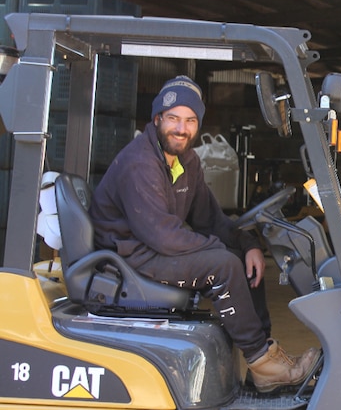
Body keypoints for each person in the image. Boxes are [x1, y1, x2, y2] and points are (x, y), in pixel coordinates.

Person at [89, 75, 319, 393]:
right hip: (129, 256)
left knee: (242, 258)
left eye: (190, 120)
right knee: (224, 265)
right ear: (157, 120)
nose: (181, 129)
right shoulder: (140, 163)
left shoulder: (186, 160)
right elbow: (162, 236)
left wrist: (248, 243)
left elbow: (211, 219)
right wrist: (221, 252)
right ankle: (262, 360)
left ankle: (264, 362)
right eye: (173, 119)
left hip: (151, 248)